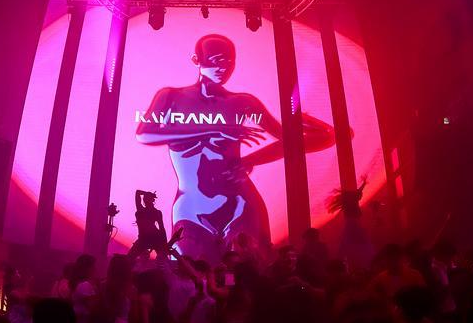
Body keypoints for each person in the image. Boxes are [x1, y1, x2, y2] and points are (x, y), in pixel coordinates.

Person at [137, 34, 334, 262]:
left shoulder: (242, 102)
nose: (223, 68)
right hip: (191, 208)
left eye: (229, 62)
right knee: (187, 270)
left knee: (250, 270)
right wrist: (213, 131)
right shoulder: (171, 97)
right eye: (216, 60)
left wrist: (250, 160)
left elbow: (289, 142)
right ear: (196, 60)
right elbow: (144, 134)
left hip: (239, 204)